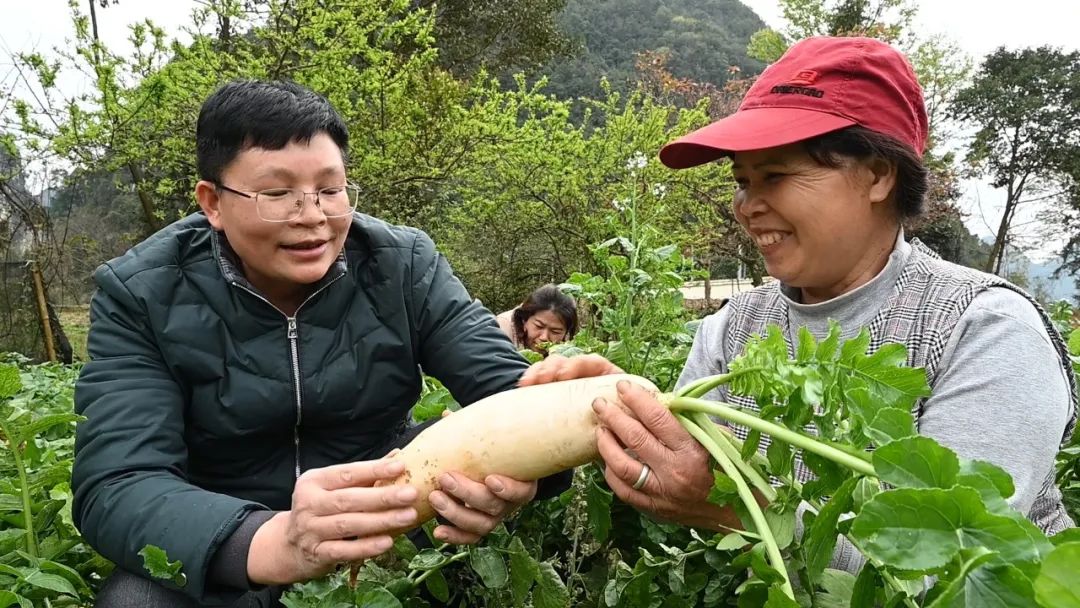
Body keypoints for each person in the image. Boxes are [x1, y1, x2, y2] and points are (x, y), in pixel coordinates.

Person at [520, 35, 1077, 570]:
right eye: (742, 180)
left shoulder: (983, 329)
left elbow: (944, 566)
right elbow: (691, 469)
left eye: (776, 175)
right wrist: (620, 405)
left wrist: (734, 507)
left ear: (878, 174)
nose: (746, 205)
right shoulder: (732, 327)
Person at [71, 80, 568, 607]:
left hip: (382, 509)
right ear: (212, 202)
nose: (312, 217)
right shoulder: (141, 292)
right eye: (277, 193)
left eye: (330, 190)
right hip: (226, 537)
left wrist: (555, 415)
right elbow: (118, 483)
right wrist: (274, 541)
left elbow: (509, 391)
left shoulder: (402, 263)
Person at [495, 283, 579, 353]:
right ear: (525, 320)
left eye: (555, 332)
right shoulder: (502, 329)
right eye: (539, 326)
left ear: (566, 332)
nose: (544, 337)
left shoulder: (570, 346)